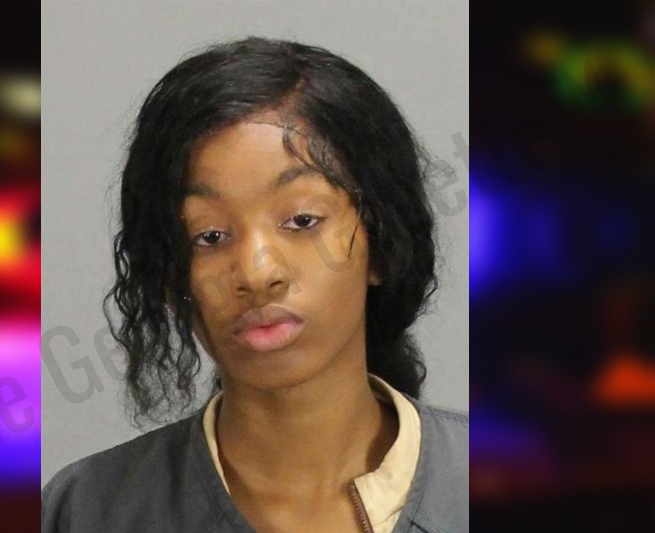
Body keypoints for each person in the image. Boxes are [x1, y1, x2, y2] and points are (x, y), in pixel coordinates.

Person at [42, 37, 468, 533]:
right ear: (170, 278)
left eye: (302, 220)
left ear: (382, 243)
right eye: (209, 236)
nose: (256, 274)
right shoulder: (85, 512)